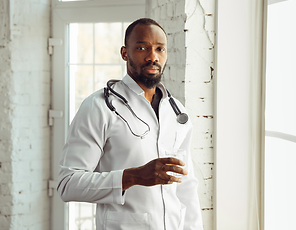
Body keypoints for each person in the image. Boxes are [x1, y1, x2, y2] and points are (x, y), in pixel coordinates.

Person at [57, 18, 203, 230]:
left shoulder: (176, 111)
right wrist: (133, 176)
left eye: (160, 49)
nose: (153, 56)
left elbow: (186, 186)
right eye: (142, 48)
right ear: (125, 53)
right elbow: (67, 184)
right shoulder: (99, 107)